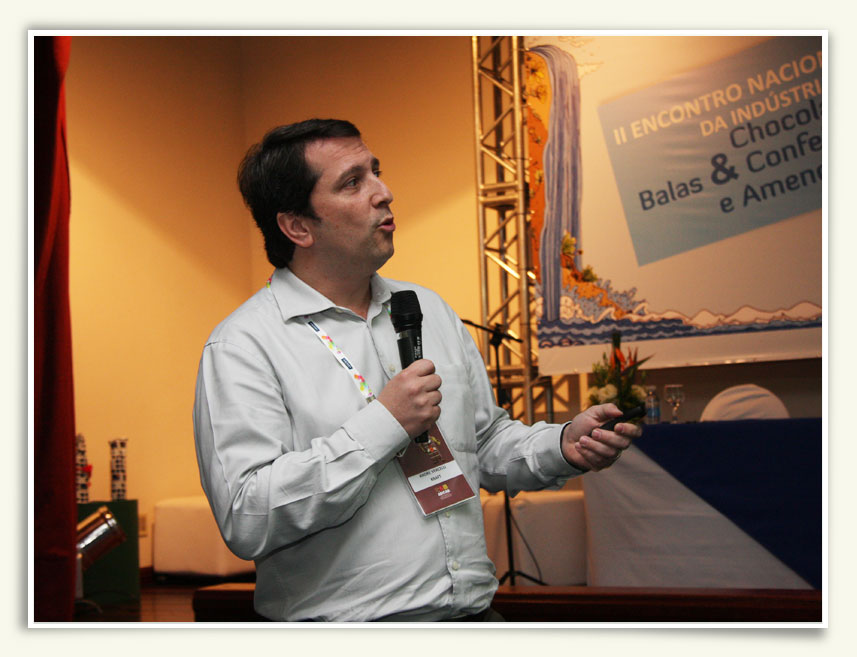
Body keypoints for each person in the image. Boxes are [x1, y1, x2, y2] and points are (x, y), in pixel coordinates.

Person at [192, 118, 641, 622]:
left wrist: (561, 445)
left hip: (473, 619)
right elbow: (247, 516)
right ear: (298, 226)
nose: (384, 193)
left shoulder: (427, 308)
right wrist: (385, 424)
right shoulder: (244, 344)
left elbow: (482, 443)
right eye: (352, 182)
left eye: (376, 172)